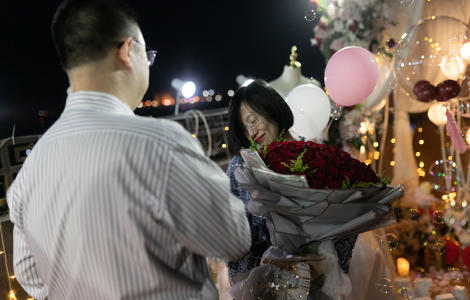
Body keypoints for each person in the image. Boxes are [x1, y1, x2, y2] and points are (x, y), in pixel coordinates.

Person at [6, 1, 251, 299]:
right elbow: (234, 238)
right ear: (126, 51)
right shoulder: (160, 144)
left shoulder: (30, 170)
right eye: (147, 55)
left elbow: (31, 276)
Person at [225, 80, 357, 283]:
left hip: (318, 279)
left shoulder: (313, 157)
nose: (252, 132)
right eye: (245, 128)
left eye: (254, 120)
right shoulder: (241, 167)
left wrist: (328, 262)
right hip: (264, 281)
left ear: (272, 109)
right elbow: (233, 235)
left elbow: (347, 222)